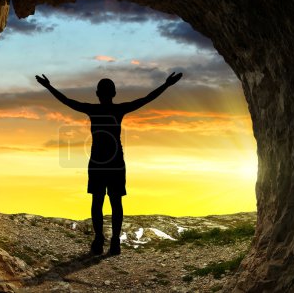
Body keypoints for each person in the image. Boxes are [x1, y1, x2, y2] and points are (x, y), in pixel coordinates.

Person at [35, 72, 183, 255]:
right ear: (114, 94)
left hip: (97, 161)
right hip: (115, 161)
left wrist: (49, 86)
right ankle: (115, 242)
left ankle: (98, 240)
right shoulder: (119, 110)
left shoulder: (93, 110)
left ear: (97, 94)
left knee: (97, 201)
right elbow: (146, 99)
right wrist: (166, 84)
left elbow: (67, 101)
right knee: (116, 202)